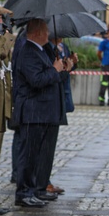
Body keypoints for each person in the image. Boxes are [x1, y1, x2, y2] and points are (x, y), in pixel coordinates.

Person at [13, 18, 68, 206]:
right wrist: (54, 69)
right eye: (45, 31)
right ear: (36, 33)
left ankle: (36, 188)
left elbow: (51, 78)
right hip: (33, 112)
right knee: (29, 156)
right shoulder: (28, 51)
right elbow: (36, 80)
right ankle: (24, 192)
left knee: (39, 155)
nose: (48, 34)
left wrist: (63, 69)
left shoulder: (41, 50)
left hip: (43, 112)